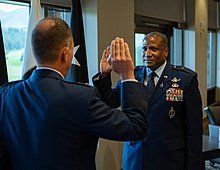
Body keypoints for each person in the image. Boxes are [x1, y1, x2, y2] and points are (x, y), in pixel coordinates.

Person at [0, 17, 148, 170]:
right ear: (65, 53)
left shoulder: (5, 95)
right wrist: (128, 75)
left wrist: (104, 77)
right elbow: (135, 127)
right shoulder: (80, 97)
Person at [93, 32, 203, 170]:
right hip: (135, 157)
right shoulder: (132, 75)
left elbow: (194, 130)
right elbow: (109, 102)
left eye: (154, 49)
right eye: (144, 49)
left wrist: (193, 166)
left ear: (166, 51)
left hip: (168, 160)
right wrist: (104, 74)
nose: (147, 54)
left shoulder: (185, 79)